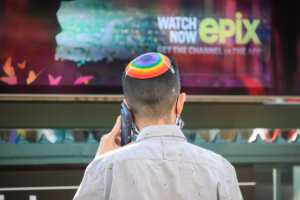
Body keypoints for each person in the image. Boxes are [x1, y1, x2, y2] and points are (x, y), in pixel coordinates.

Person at [73, 52, 243, 200]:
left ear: (127, 109)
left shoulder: (104, 169)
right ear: (180, 102)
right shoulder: (220, 169)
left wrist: (100, 162)